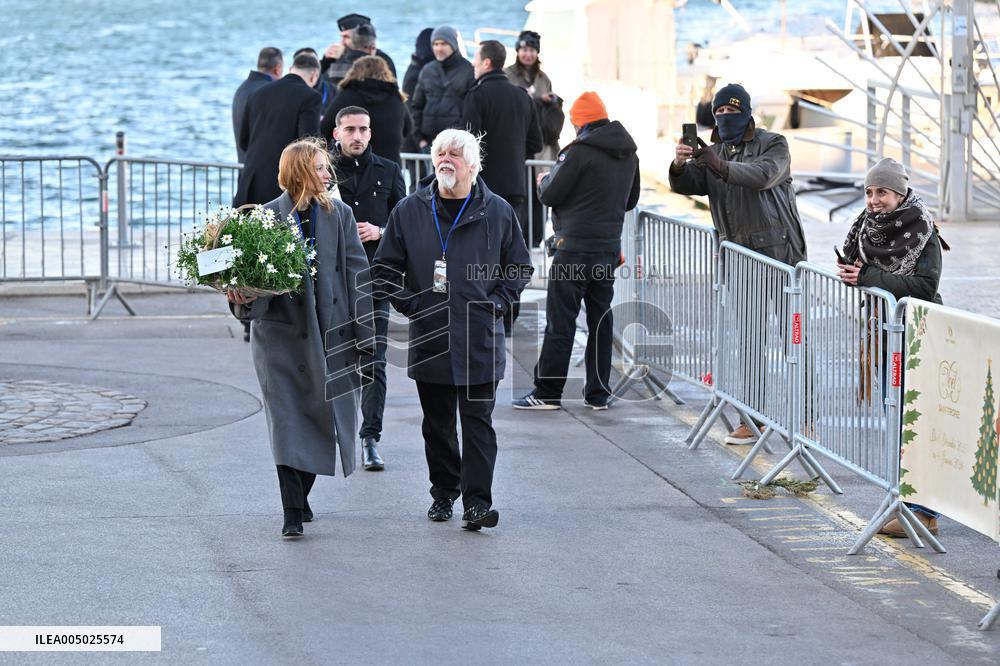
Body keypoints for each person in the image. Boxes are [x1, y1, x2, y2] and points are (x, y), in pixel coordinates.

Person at [372, 129, 532, 530]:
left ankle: (477, 503)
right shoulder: (410, 210)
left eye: (455, 154)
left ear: (473, 166)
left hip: (479, 337)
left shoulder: (497, 211)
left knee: (478, 424)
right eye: (440, 152)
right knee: (438, 425)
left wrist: (498, 303)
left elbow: (519, 266)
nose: (446, 159)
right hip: (431, 336)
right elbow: (384, 269)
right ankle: (444, 492)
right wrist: (412, 304)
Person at [228, 138, 374, 538]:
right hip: (281, 340)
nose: (328, 174)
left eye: (327, 167)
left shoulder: (340, 215)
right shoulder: (264, 218)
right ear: (299, 172)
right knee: (287, 423)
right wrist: (242, 299)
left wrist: (365, 335)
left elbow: (357, 275)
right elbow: (247, 282)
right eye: (320, 167)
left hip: (332, 335)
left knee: (325, 420)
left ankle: (301, 496)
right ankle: (292, 512)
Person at [669, 82, 807, 445]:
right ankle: (753, 419)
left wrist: (718, 164)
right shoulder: (712, 151)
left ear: (746, 112)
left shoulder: (774, 143)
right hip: (739, 258)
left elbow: (762, 176)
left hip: (781, 255)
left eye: (732, 110)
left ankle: (808, 417)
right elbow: (688, 184)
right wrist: (680, 164)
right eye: (719, 111)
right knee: (750, 343)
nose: (725, 116)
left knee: (795, 339)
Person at [837, 157, 949, 538]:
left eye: (881, 192)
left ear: (900, 194)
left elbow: (925, 287)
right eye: (869, 192)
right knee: (898, 422)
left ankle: (924, 513)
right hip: (886, 334)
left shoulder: (923, 230)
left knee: (914, 423)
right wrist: (853, 274)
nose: (873, 200)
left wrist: (868, 276)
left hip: (918, 335)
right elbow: (866, 270)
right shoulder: (868, 228)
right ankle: (905, 503)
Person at [513, 92, 640, 411]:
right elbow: (630, 201)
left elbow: (550, 194)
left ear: (580, 122)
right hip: (607, 250)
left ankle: (548, 392)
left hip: (573, 251)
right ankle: (598, 394)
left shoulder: (578, 152)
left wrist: (544, 180)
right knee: (600, 320)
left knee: (561, 321)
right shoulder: (629, 153)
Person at [331, 105, 406, 471]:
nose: (357, 136)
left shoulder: (389, 170)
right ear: (337, 133)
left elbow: (407, 224)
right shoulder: (323, 171)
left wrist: (381, 231)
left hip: (376, 279)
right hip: (334, 280)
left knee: (374, 359)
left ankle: (370, 437)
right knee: (333, 359)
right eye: (350, 129)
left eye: (363, 129)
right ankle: (331, 432)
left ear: (371, 133)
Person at [463, 40, 543, 245]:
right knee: (510, 247)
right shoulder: (523, 97)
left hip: (484, 187)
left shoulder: (477, 95)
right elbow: (536, 143)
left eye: (476, 59)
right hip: (516, 184)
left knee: (483, 248)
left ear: (486, 63)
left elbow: (469, 143)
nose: (473, 63)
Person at [234, 53, 322, 208]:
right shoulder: (311, 97)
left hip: (250, 183)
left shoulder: (257, 93)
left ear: (291, 69)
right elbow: (309, 146)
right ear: (314, 75)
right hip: (283, 185)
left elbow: (243, 141)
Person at [504, 30, 564, 247]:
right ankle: (518, 239)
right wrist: (538, 99)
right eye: (524, 50)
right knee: (520, 193)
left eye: (532, 50)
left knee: (540, 193)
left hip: (542, 145)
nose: (528, 54)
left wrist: (550, 100)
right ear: (517, 51)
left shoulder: (543, 78)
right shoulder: (508, 75)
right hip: (517, 143)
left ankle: (536, 239)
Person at [321, 56, 412, 166]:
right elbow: (408, 127)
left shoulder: (347, 96)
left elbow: (324, 129)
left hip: (354, 166)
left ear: (354, 71)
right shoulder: (396, 98)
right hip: (390, 165)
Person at [409, 25, 475, 154]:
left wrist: (461, 139)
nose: (439, 48)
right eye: (435, 44)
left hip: (456, 144)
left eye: (444, 44)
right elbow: (416, 106)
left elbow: (471, 111)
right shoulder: (427, 70)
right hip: (428, 144)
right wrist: (419, 139)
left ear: (453, 45)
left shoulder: (468, 71)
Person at [232, 47, 283, 164]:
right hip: (262, 168)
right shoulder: (269, 91)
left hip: (243, 167)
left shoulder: (242, 89)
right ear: (278, 68)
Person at [321, 15, 397, 87]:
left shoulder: (382, 59)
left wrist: (341, 60)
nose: (342, 42)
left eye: (346, 37)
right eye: (342, 37)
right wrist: (326, 61)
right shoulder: (338, 57)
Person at [401, 28, 434, 156]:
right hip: (415, 143)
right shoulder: (415, 75)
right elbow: (411, 110)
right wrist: (420, 141)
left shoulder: (418, 69)